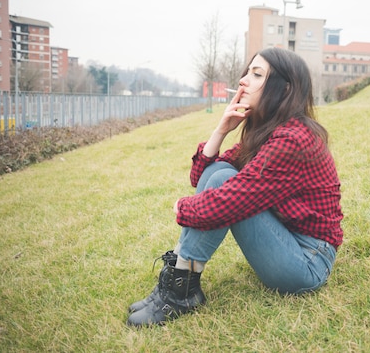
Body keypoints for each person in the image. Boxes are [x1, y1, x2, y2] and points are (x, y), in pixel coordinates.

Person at [127, 47, 344, 327]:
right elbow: (201, 175)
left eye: (256, 75)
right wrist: (221, 129)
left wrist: (181, 207)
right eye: (247, 73)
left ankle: (180, 288)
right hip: (286, 241)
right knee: (220, 170)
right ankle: (180, 282)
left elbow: (226, 201)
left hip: (308, 261)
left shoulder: (294, 139)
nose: (243, 80)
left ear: (284, 89)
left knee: (223, 182)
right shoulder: (269, 131)